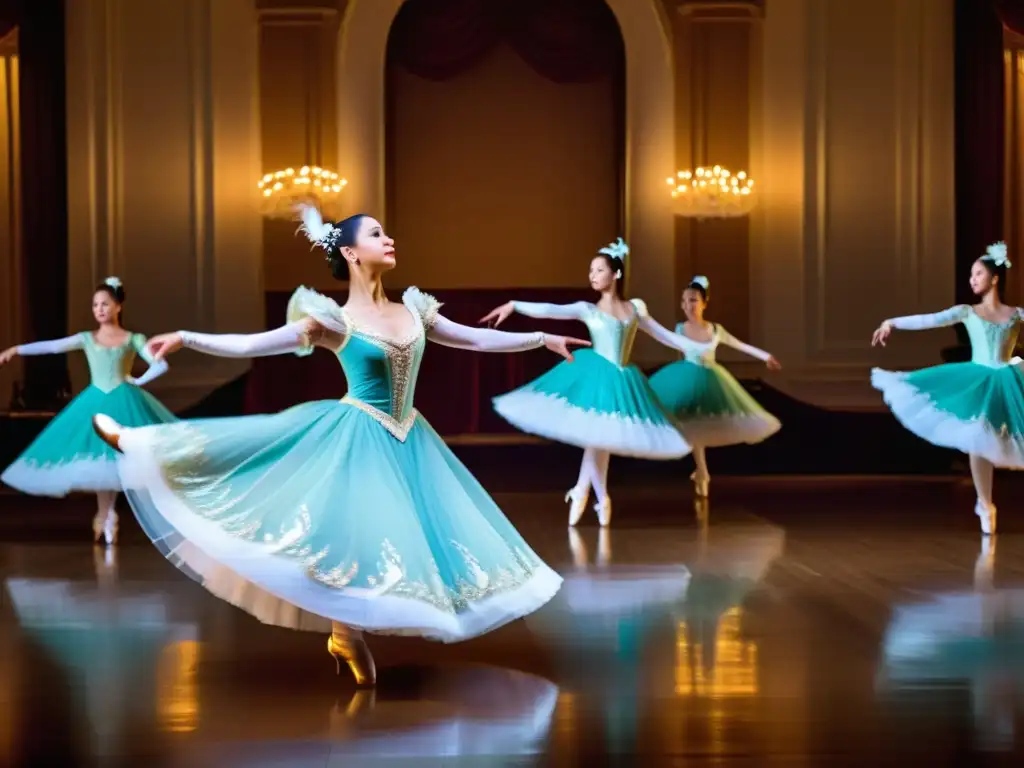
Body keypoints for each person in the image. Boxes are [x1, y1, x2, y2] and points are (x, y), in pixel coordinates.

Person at [91, 206, 589, 686]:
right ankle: (140, 442)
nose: (388, 239)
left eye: (386, 232)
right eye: (376, 234)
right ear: (351, 253)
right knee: (342, 524)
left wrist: (543, 338)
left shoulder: (416, 310)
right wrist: (186, 337)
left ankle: (344, 633)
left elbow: (476, 341)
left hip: (409, 437)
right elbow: (251, 345)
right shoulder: (332, 321)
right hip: (356, 432)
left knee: (396, 540)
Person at [481, 239, 692, 528]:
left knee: (600, 439)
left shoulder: (635, 309)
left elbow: (662, 334)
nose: (592, 275)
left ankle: (583, 491)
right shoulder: (587, 309)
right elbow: (549, 309)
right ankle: (599, 496)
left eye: (599, 269)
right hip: (595, 375)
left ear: (615, 274)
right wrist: (514, 305)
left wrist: (696, 347)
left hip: (623, 379)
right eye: (590, 270)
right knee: (599, 438)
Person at [0, 277, 175, 545]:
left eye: (105, 304)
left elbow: (160, 365)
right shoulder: (87, 338)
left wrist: (137, 381)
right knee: (99, 461)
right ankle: (106, 515)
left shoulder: (133, 339)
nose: (99, 309)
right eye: (95, 305)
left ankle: (106, 515)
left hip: (123, 401)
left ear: (118, 306)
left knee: (114, 460)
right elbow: (52, 346)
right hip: (94, 402)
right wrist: (16, 349)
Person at [871, 241, 1023, 535]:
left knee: (1004, 439)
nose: (972, 280)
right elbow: (930, 320)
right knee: (979, 438)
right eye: (971, 275)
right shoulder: (967, 311)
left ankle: (985, 501)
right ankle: (984, 503)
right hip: (978, 380)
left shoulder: (1015, 314)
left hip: (1009, 379)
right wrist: (892, 322)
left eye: (977, 274)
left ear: (994, 278)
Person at [647, 275, 781, 498]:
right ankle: (702, 471)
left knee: (700, 425)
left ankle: (702, 472)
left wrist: (765, 356)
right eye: (685, 301)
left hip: (712, 380)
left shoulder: (716, 330)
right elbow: (675, 350)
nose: (688, 305)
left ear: (704, 303)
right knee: (687, 424)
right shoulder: (679, 329)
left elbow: (740, 345)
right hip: (686, 377)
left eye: (693, 300)